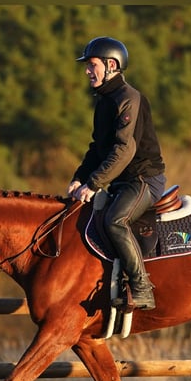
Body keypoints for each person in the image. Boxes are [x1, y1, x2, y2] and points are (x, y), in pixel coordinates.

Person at [68, 36, 167, 310]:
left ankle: (142, 287)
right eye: (87, 66)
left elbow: (124, 149)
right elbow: (97, 148)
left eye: (92, 65)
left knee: (115, 221)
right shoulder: (104, 102)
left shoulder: (128, 99)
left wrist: (94, 183)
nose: (87, 71)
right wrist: (79, 176)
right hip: (122, 182)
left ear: (111, 65)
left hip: (143, 179)